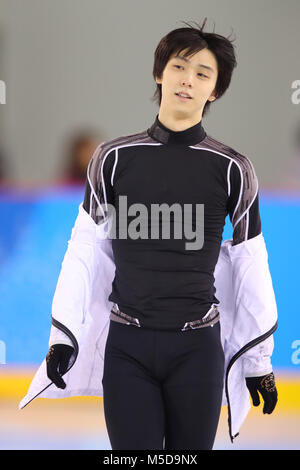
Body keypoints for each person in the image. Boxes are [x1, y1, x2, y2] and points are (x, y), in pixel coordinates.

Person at [19, 19, 278, 450]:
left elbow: (252, 262)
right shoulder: (113, 158)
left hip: (198, 351)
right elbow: (84, 251)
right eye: (179, 66)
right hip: (127, 349)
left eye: (202, 73)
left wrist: (258, 360)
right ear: (160, 73)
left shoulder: (233, 168)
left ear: (214, 91)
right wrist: (62, 335)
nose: (187, 80)